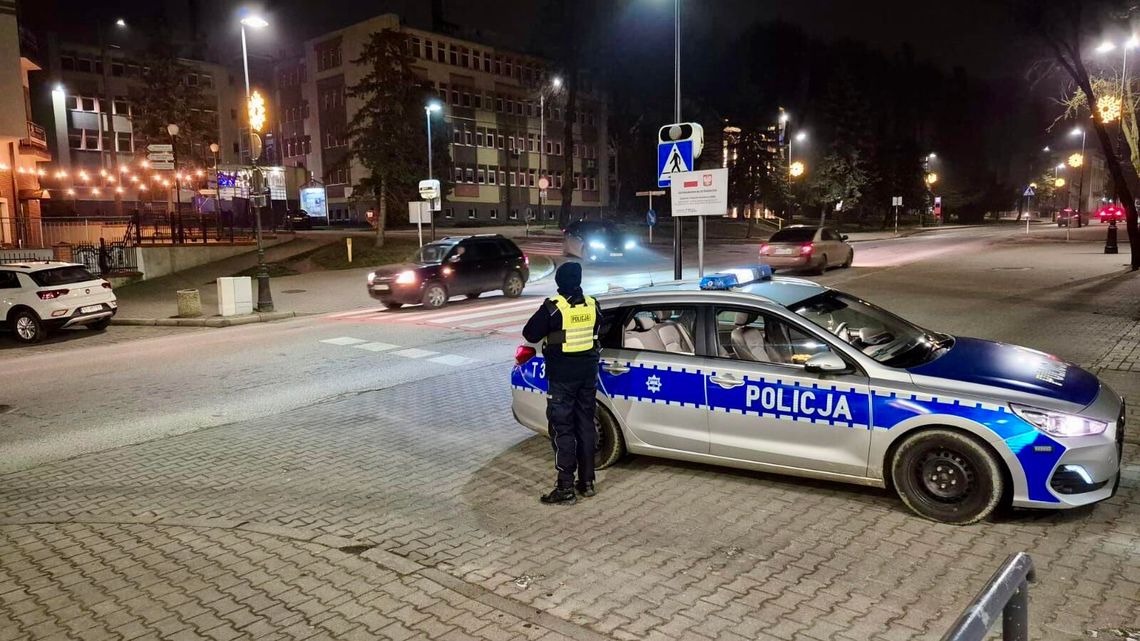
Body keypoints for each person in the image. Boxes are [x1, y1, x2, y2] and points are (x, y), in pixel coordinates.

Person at [522, 262, 601, 505]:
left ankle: (565, 486)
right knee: (586, 425)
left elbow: (530, 334)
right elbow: (597, 332)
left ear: (558, 282)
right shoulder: (592, 304)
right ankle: (587, 482)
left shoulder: (553, 309)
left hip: (562, 379)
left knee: (562, 428)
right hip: (587, 375)